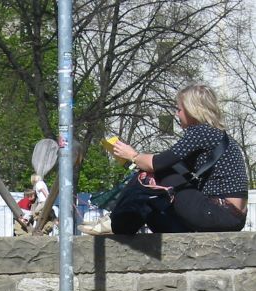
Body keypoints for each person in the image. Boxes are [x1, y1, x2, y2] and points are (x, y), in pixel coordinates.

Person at [79, 84, 248, 235]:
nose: (177, 114)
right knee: (152, 207)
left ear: (192, 110)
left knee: (151, 174)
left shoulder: (202, 131)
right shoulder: (216, 136)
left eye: (179, 110)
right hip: (227, 217)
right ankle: (120, 225)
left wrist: (133, 156)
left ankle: (115, 222)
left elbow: (159, 163)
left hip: (219, 212)